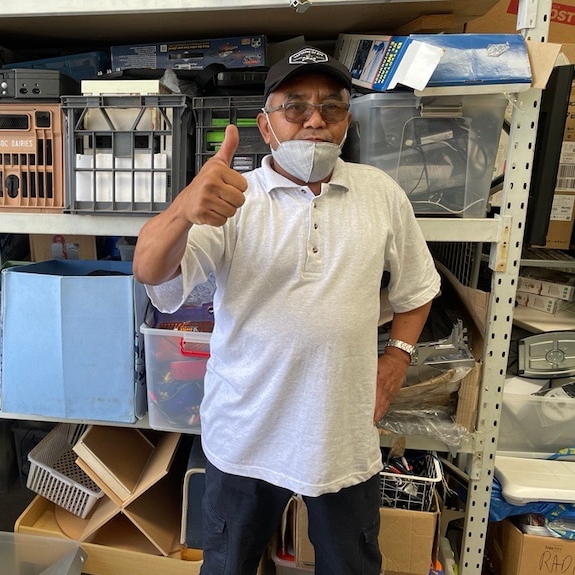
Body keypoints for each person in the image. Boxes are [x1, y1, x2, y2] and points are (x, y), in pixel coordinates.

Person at [132, 43, 441, 575]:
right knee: (228, 565)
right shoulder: (234, 199)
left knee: (352, 567)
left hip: (341, 438)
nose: (315, 120)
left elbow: (418, 289)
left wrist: (396, 361)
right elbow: (149, 269)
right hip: (243, 435)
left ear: (347, 120)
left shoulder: (381, 194)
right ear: (265, 124)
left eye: (332, 106)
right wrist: (185, 207)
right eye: (295, 106)